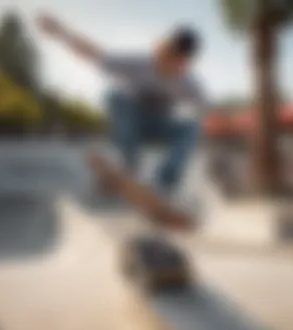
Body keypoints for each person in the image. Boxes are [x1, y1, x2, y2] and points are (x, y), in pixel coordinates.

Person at [36, 13, 206, 199]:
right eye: (171, 55)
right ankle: (129, 165)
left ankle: (165, 183)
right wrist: (63, 33)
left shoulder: (189, 83)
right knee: (116, 96)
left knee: (191, 125)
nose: (173, 64)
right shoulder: (140, 63)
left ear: (186, 62)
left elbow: (208, 110)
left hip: (158, 126)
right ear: (164, 49)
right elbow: (96, 55)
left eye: (180, 61)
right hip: (130, 124)